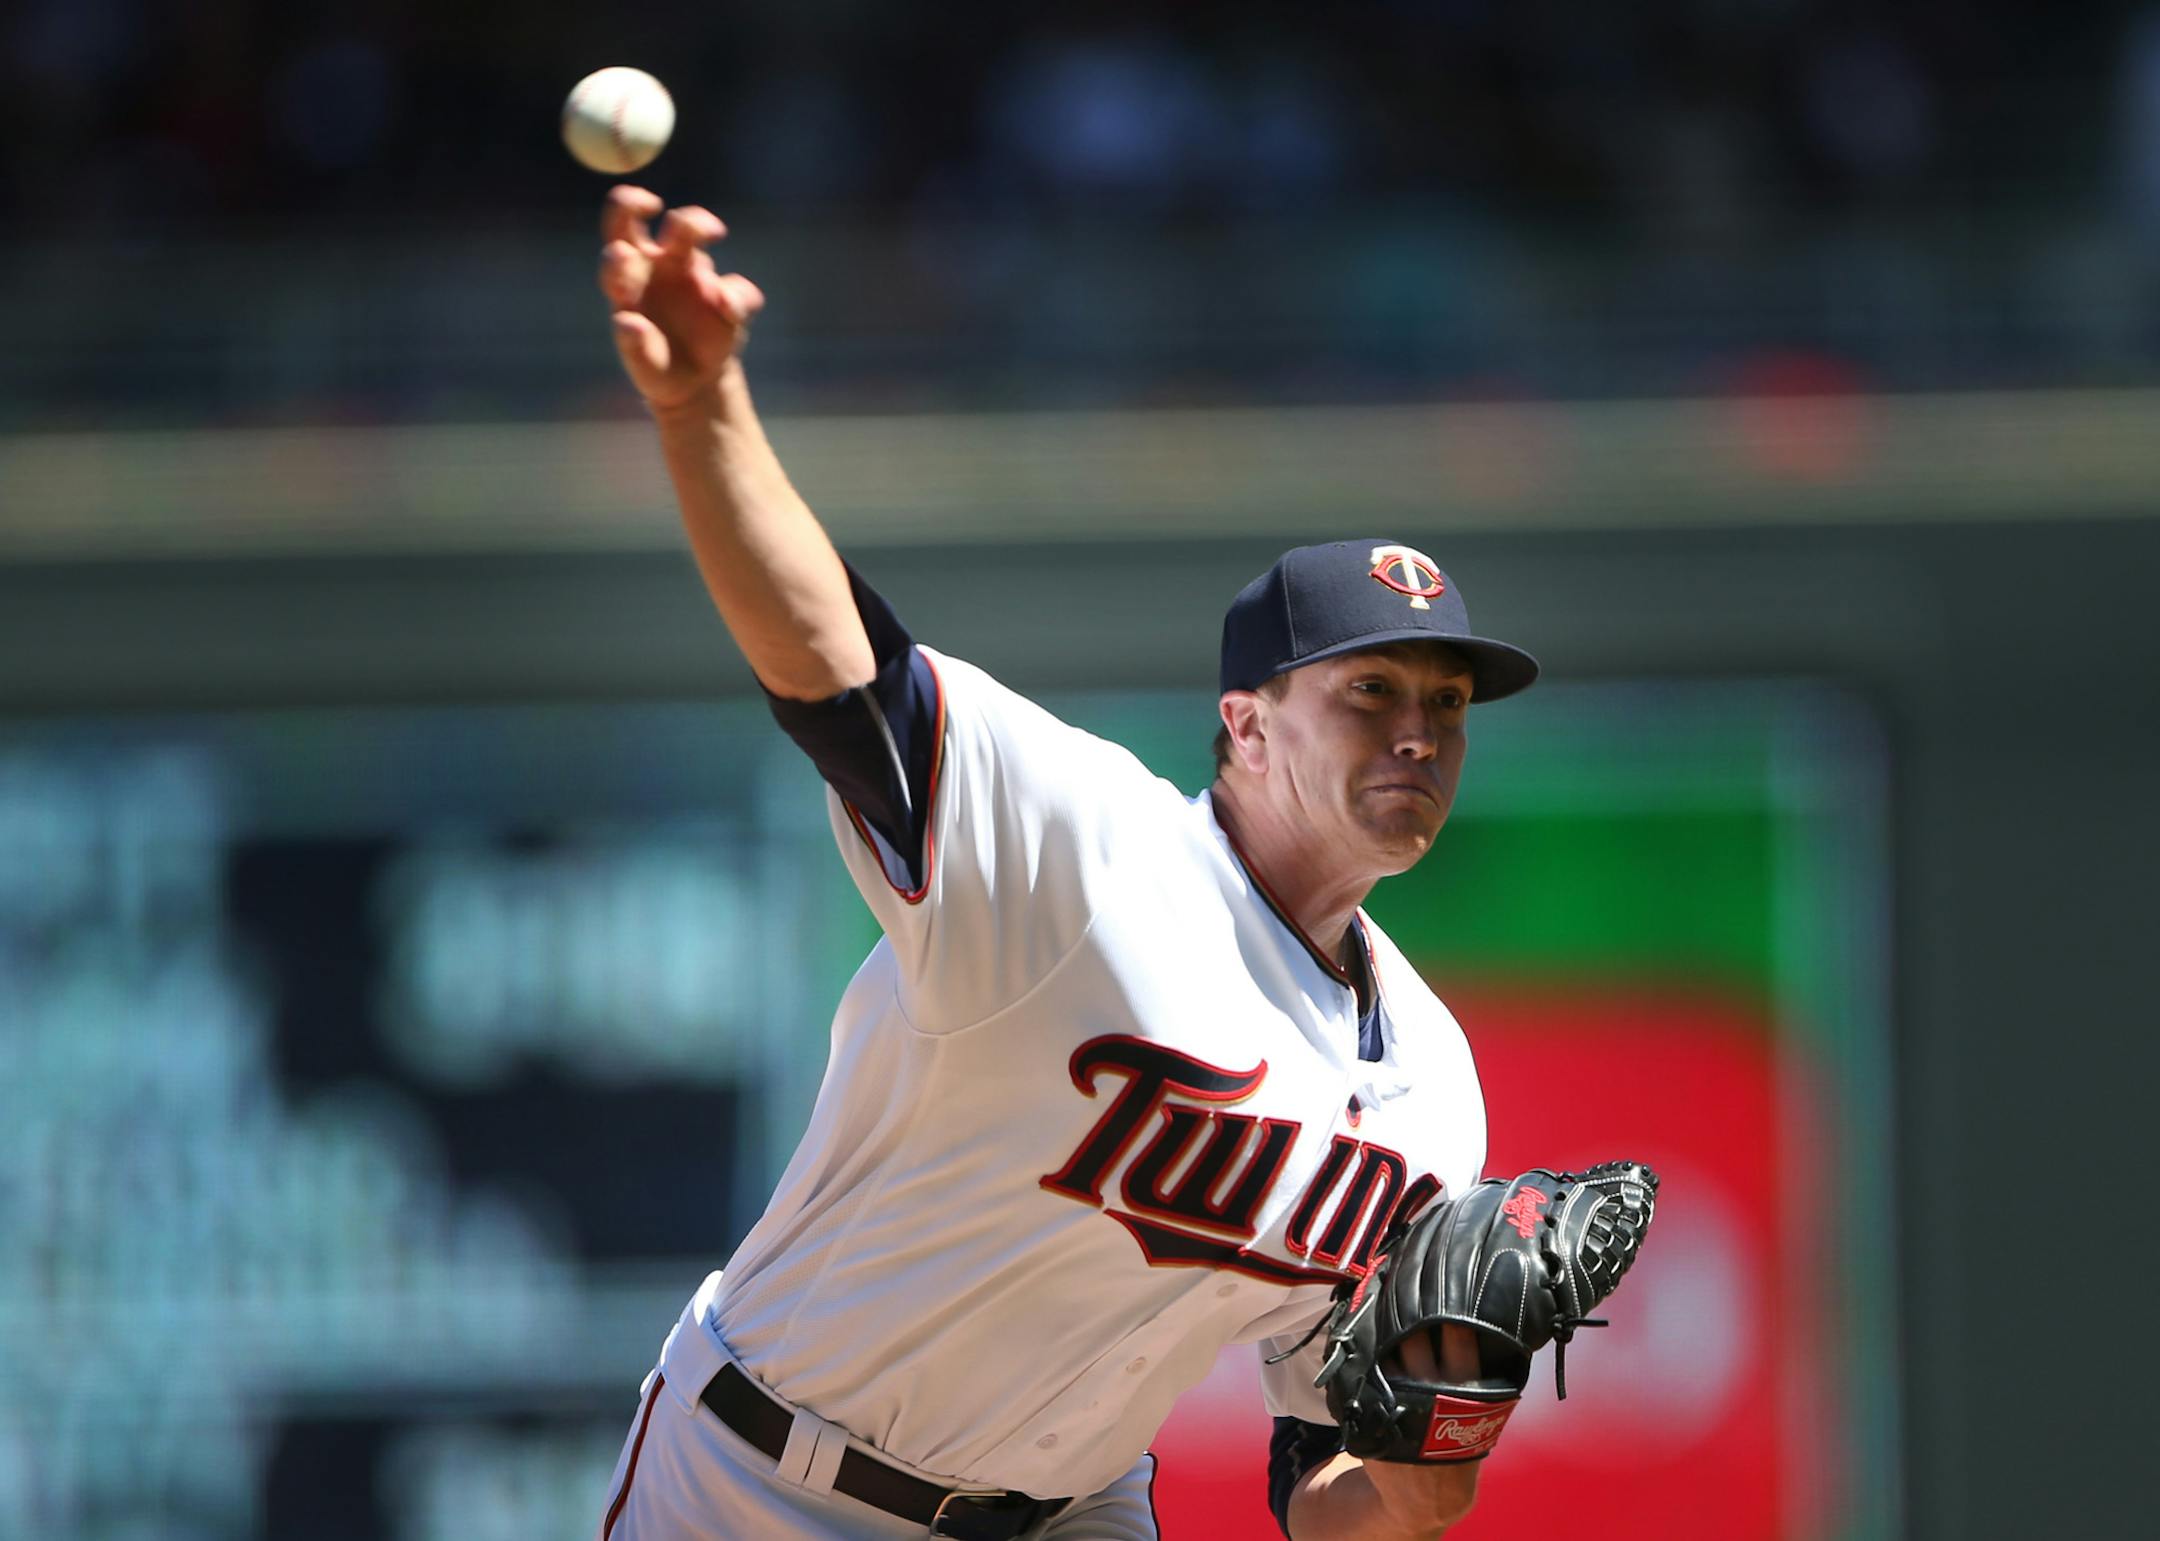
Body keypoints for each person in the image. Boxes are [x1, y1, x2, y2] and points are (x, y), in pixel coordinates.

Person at [590, 186, 1542, 1541]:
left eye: (1447, 703)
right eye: (1370, 690)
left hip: (1073, 1514)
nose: (1418, 733)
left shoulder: (1432, 1088)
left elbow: (1316, 1499)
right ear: (1249, 723)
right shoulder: (1081, 846)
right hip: (767, 1481)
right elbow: (835, 672)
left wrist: (1431, 1466)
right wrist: (702, 416)